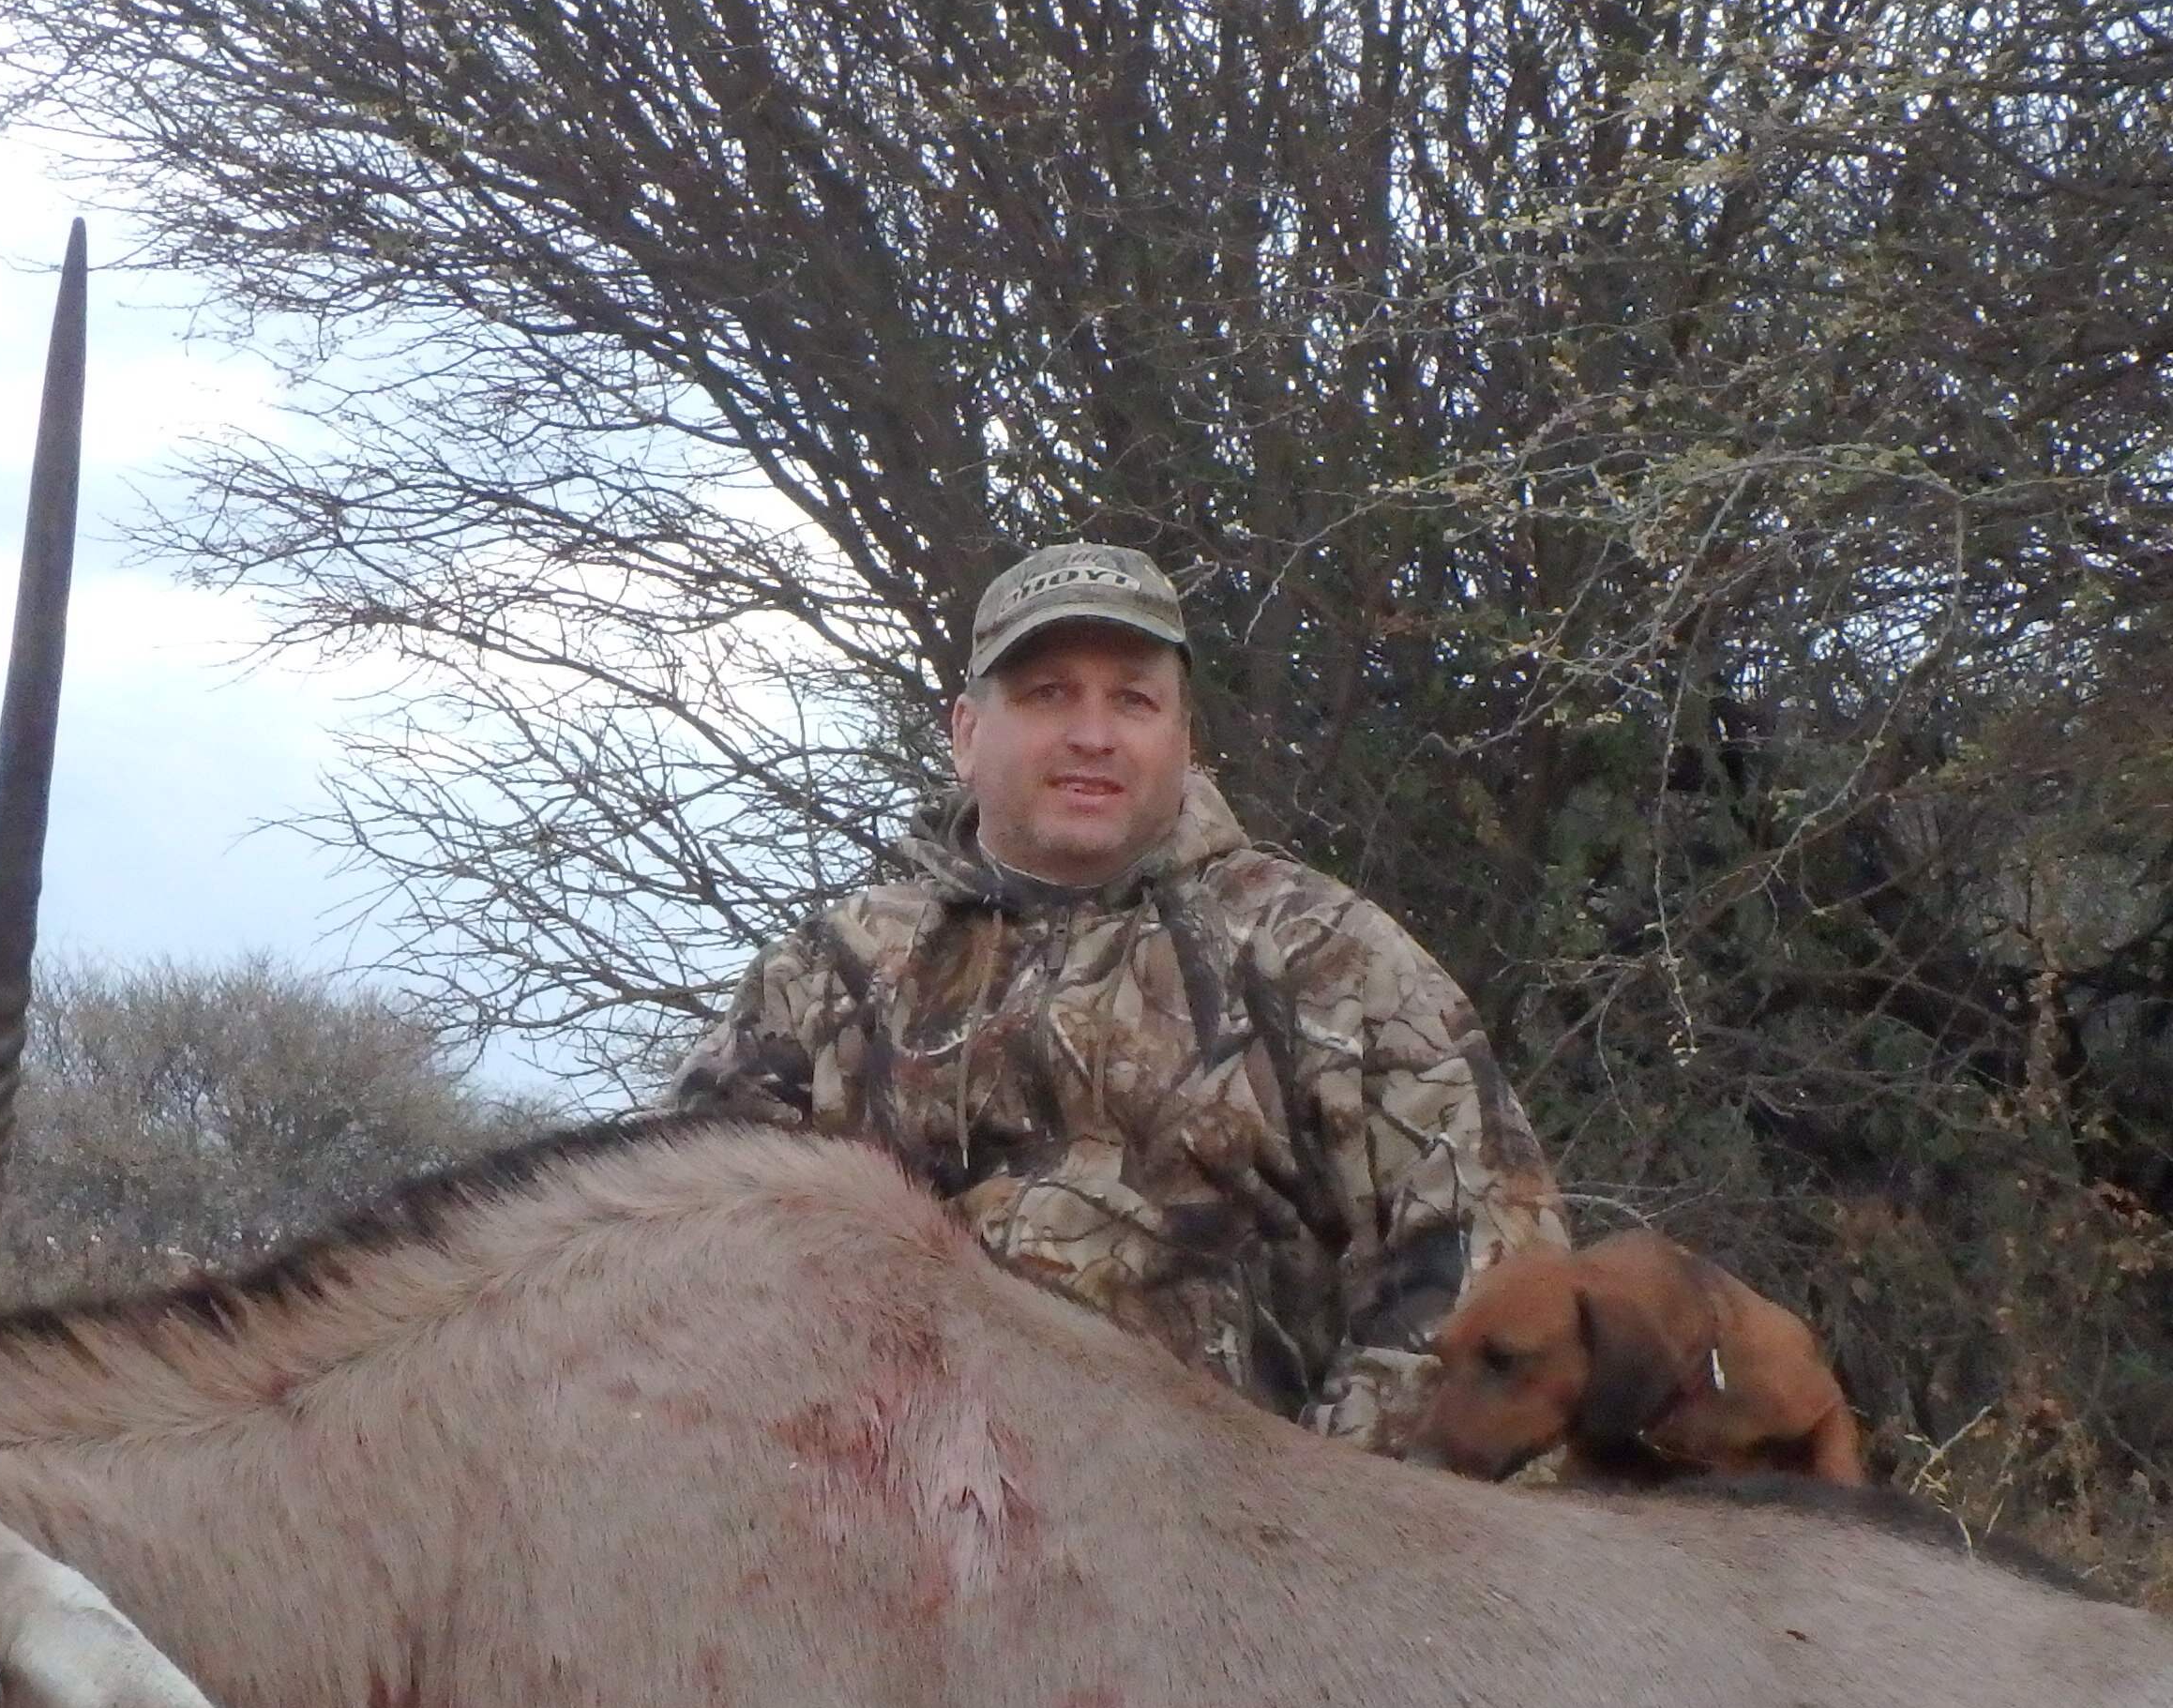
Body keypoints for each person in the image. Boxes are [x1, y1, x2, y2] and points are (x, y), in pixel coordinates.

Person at [670, 540, 1566, 1449]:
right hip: (881, 1539)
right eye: (1047, 693)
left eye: (1133, 699)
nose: (1092, 735)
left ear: (1184, 739)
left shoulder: (1326, 956)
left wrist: (1315, 1524)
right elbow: (687, 1271)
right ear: (968, 733)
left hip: (1248, 1551)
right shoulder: (830, 974)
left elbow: (1496, 1272)